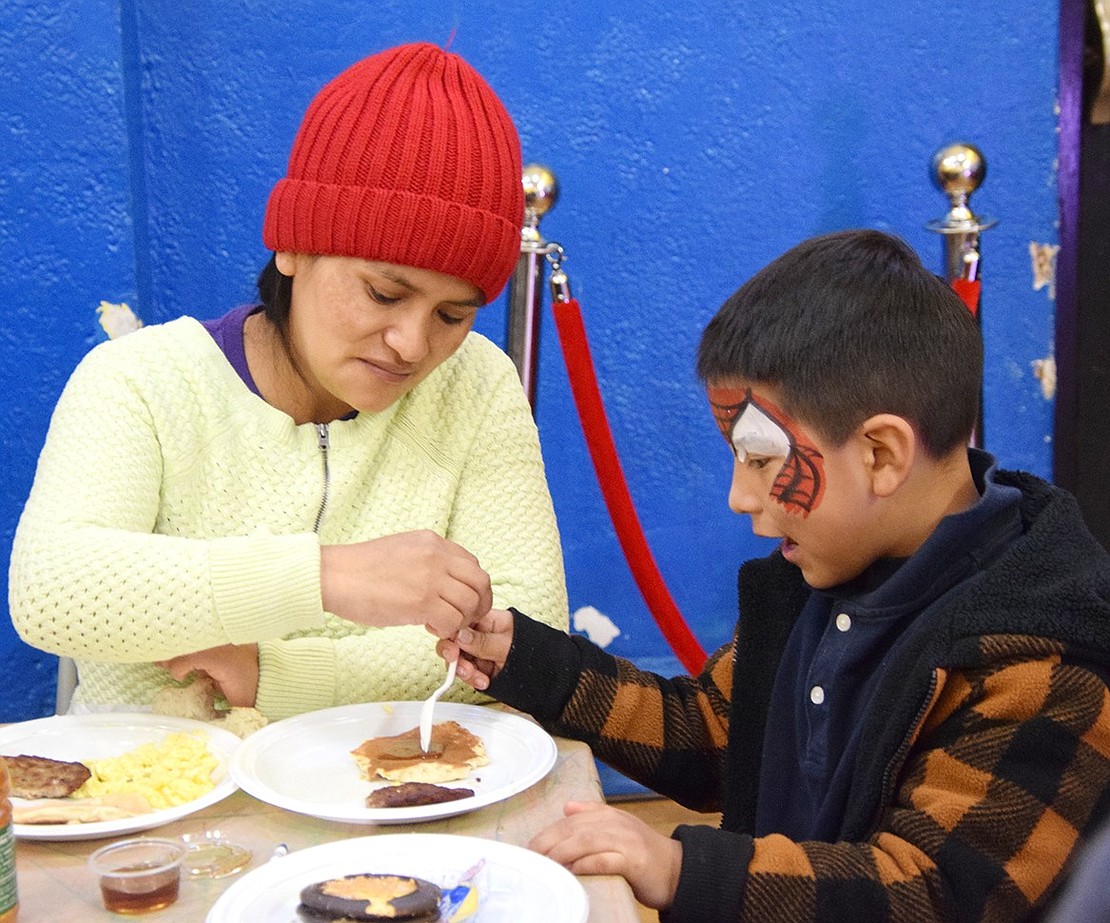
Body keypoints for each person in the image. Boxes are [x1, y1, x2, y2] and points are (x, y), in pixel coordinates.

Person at [444, 230, 1110, 921]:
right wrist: (524, 657)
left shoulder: (1042, 660)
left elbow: (927, 893)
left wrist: (681, 867)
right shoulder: (814, 577)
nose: (739, 494)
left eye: (760, 459)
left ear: (881, 453)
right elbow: (712, 732)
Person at [8, 42, 567, 720]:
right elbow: (51, 590)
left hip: (395, 792)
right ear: (294, 245)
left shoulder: (476, 386)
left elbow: (525, 637)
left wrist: (275, 675)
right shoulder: (142, 380)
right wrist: (325, 577)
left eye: (453, 314)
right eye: (384, 293)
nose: (414, 344)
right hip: (152, 794)